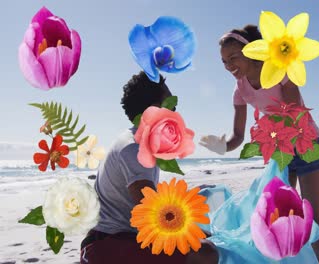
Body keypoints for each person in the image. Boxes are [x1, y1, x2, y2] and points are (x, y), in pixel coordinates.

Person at [199, 25, 319, 264]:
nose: (228, 66)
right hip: (280, 151)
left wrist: (269, 134)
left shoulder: (279, 70)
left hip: (306, 144)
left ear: (251, 51)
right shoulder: (240, 91)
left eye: (233, 57)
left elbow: (293, 113)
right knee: (280, 218)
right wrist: (222, 146)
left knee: (314, 218)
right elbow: (237, 136)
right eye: (224, 61)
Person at [80, 71, 218, 264]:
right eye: (172, 106)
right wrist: (196, 234)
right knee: (207, 254)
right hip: (106, 246)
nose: (176, 114)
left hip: (119, 239)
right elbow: (152, 211)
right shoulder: (134, 148)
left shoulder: (137, 142)